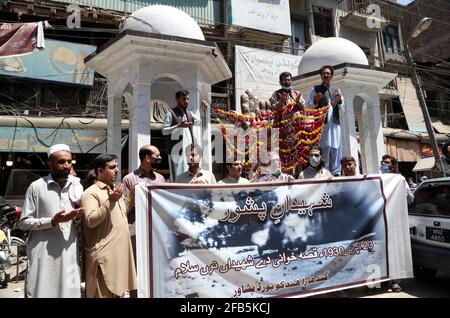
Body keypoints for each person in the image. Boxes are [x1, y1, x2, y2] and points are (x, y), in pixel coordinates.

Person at [16, 144, 84, 298]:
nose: (66, 165)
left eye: (69, 162)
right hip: (43, 255)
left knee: (69, 292)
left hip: (68, 253)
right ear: (50, 164)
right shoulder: (37, 187)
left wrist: (78, 219)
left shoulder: (76, 187)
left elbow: (78, 224)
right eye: (61, 161)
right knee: (41, 292)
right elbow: (24, 222)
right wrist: (52, 221)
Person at [81, 154, 137, 298]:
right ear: (100, 171)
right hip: (103, 260)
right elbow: (90, 220)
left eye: (117, 166)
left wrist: (130, 197)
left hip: (118, 257)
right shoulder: (91, 193)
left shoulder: (113, 190)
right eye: (112, 167)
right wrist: (111, 201)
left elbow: (121, 212)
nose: (117, 170)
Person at [122, 145, 165, 262]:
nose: (160, 158)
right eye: (157, 156)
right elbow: (123, 209)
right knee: (137, 264)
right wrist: (133, 195)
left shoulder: (160, 179)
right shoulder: (129, 179)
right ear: (147, 158)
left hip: (156, 231)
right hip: (135, 232)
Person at [162, 89, 208, 182]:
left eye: (187, 99)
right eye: (184, 99)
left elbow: (200, 123)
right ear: (177, 99)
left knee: (189, 175)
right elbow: (164, 131)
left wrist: (203, 112)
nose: (186, 101)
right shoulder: (170, 114)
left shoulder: (189, 114)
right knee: (177, 177)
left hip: (188, 151)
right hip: (176, 152)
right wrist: (178, 126)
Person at [307, 65, 344, 176]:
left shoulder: (336, 90)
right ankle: (324, 172)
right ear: (321, 75)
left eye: (328, 73)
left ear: (331, 75)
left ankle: (336, 172)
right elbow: (308, 107)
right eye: (324, 73)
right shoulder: (315, 89)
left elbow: (342, 110)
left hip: (335, 124)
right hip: (323, 125)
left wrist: (339, 101)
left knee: (336, 147)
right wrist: (315, 100)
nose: (326, 75)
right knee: (325, 147)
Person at [269, 72, 306, 175]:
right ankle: (286, 176)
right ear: (280, 82)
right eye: (285, 80)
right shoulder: (276, 94)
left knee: (298, 153)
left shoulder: (296, 93)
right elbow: (273, 108)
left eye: (289, 80)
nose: (287, 82)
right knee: (284, 154)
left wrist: (298, 101)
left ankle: (298, 176)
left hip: (296, 130)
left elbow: (303, 107)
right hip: (282, 131)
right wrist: (281, 101)